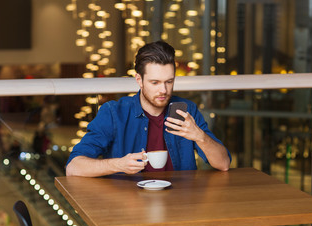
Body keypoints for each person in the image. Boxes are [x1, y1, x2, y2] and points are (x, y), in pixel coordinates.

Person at [66, 40, 231, 177]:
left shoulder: (187, 111)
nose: (164, 90)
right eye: (155, 82)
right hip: (129, 208)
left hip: (181, 205)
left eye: (169, 81)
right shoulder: (114, 113)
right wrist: (118, 164)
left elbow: (223, 164)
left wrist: (200, 137)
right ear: (139, 79)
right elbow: (73, 167)